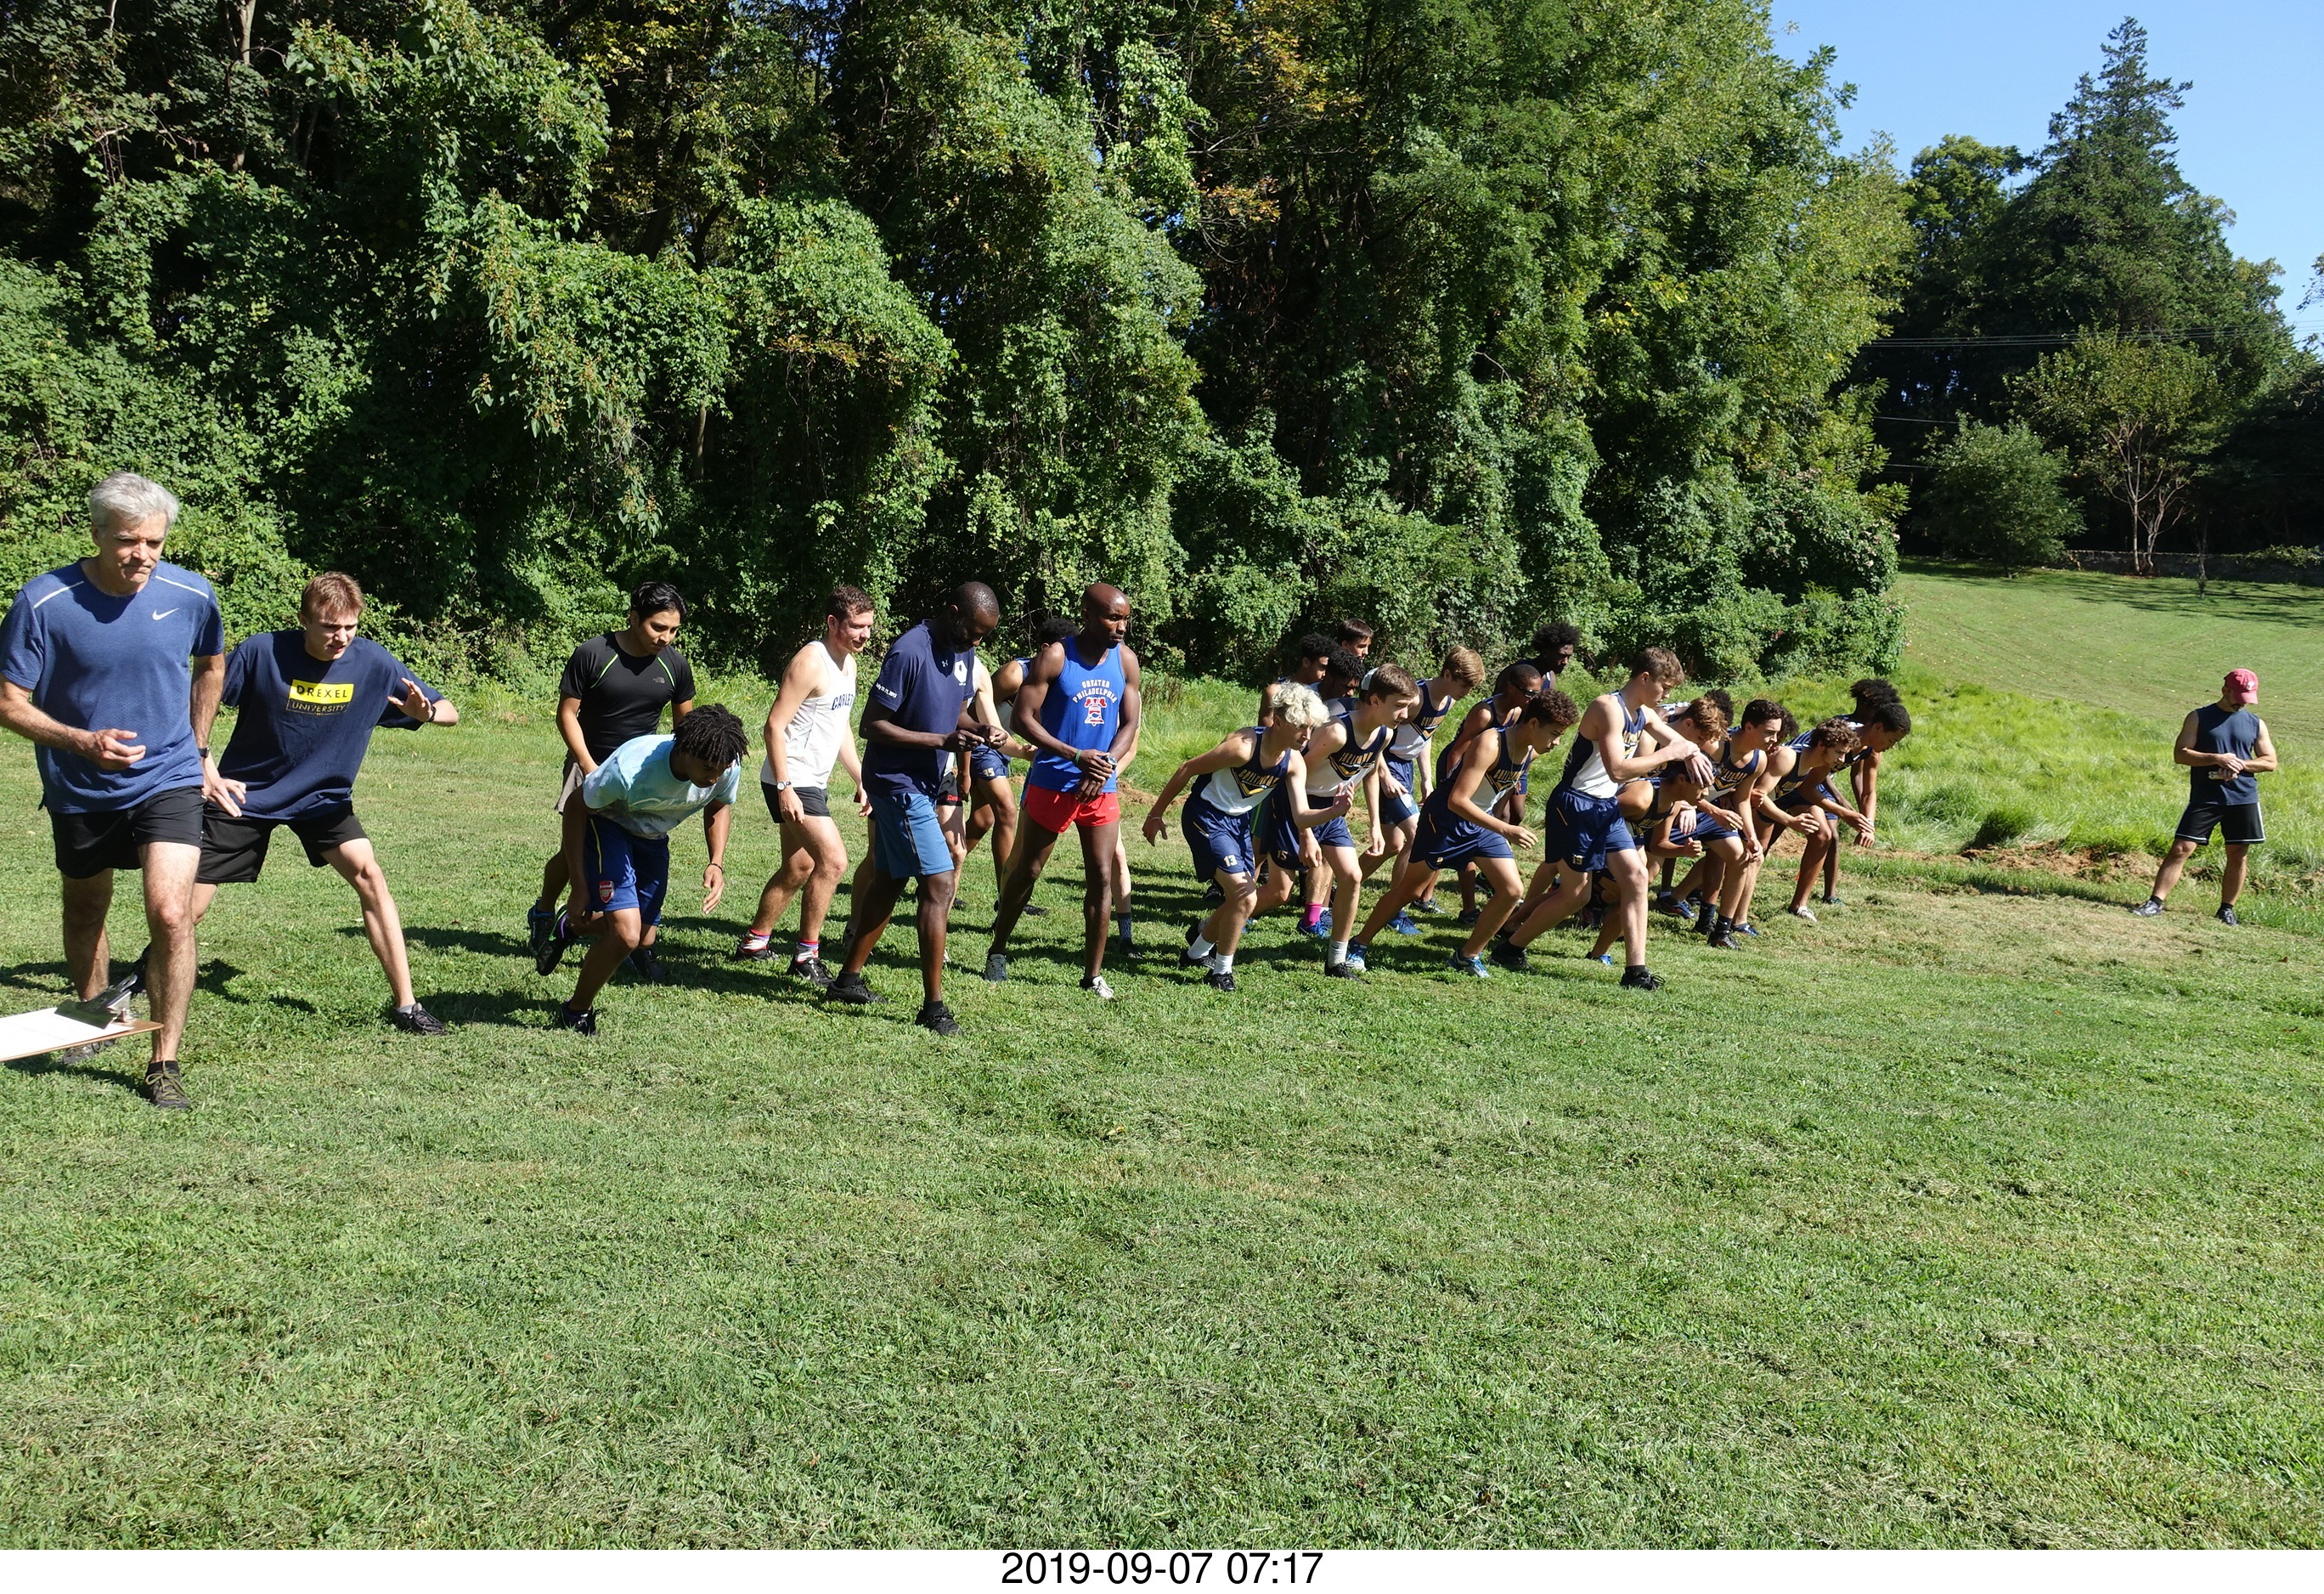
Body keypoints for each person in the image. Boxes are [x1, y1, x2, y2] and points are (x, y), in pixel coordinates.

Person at [0, 472, 232, 1109]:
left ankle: (165, 1060)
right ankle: (91, 1014)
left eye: (154, 541)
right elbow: (8, 702)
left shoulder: (192, 594)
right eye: (129, 541)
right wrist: (81, 741)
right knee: (86, 908)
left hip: (169, 776)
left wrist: (198, 747)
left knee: (171, 912)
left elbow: (212, 664)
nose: (143, 555)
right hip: (81, 784)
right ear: (98, 534)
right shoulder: (45, 602)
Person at [190, 573, 459, 1034]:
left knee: (370, 876)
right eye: (330, 627)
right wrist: (204, 764)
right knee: (187, 906)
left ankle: (407, 1005)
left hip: (322, 798)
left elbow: (450, 711)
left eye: (350, 627)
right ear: (303, 619)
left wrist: (427, 713)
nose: (341, 638)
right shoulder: (262, 652)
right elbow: (201, 697)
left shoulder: (373, 663)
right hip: (247, 795)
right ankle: (144, 975)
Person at [826, 583, 1003, 1033]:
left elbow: (954, 711)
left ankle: (847, 979)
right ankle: (933, 1008)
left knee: (889, 879)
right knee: (939, 884)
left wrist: (979, 729)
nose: (977, 641)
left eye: (984, 635)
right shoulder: (909, 651)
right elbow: (872, 725)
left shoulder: (963, 652)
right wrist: (940, 740)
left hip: (924, 782)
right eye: (974, 631)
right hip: (896, 783)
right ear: (953, 612)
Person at [1491, 648, 1712, 989]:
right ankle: (1510, 947)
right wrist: (1669, 754)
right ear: (1645, 678)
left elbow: (1678, 740)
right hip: (1576, 805)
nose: (1667, 695)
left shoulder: (1643, 713)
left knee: (1637, 877)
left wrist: (1693, 752)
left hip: (1605, 806)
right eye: (1664, 687)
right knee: (1576, 896)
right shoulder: (1607, 707)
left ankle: (1636, 972)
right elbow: (1618, 770)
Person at [1345, 690, 1582, 976]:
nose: (1557, 743)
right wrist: (1505, 828)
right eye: (1554, 734)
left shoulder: (1529, 751)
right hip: (1446, 820)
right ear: (1533, 724)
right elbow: (1457, 801)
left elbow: (1497, 794)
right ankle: (1358, 944)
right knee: (1411, 890)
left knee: (1512, 891)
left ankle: (1467, 956)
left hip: (1481, 824)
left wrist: (1500, 826)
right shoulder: (1491, 743)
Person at [546, 706, 747, 1035]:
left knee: (642, 937)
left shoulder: (725, 762)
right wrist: (580, 887)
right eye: (708, 769)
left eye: (721, 770)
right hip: (608, 826)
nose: (714, 778)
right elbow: (576, 807)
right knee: (625, 935)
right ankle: (576, 1010)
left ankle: (569, 926)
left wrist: (716, 861)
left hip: (653, 838)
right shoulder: (631, 767)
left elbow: (718, 805)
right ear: (684, 749)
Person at [984, 583, 1142, 998]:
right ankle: (998, 949)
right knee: (1029, 870)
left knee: (1101, 877)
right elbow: (1022, 717)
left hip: (1101, 785)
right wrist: (1075, 755)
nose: (1121, 627)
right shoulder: (1056, 656)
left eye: (1125, 619)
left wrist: (1104, 764)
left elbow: (1130, 723)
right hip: (1054, 779)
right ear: (1087, 615)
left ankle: (1092, 975)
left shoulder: (1126, 660)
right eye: (1113, 618)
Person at [528, 583, 696, 970]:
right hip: (590, 762)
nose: (665, 638)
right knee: (576, 852)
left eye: (673, 630)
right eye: (658, 627)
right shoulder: (594, 653)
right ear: (634, 618)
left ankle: (634, 937)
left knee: (623, 847)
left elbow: (685, 728)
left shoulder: (674, 664)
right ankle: (544, 912)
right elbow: (567, 714)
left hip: (640, 774)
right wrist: (588, 765)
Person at [1140, 684, 1341, 992]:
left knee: (1244, 899)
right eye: (1302, 727)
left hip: (1238, 823)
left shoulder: (1294, 762)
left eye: (1311, 728)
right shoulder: (1242, 748)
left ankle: (1195, 952)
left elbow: (1301, 816)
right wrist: (1155, 814)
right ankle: (1221, 972)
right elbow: (1187, 768)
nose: (1307, 735)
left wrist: (1335, 810)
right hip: (1205, 816)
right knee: (1245, 896)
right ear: (1279, 721)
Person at [732, 585, 874, 986]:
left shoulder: (848, 664)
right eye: (856, 627)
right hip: (793, 779)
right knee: (834, 861)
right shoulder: (810, 661)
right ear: (832, 623)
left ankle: (754, 943)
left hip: (813, 780)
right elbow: (773, 726)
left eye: (868, 627)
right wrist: (784, 787)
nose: (864, 635)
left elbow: (840, 726)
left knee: (799, 866)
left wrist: (861, 777)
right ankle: (806, 956)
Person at [1262, 664, 1419, 976]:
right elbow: (1295, 775)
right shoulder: (1336, 732)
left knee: (1352, 877)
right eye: (1399, 706)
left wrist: (1374, 824)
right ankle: (1213, 927)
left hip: (1332, 811)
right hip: (1298, 805)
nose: (1405, 715)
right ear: (1375, 700)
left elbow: (1370, 773)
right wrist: (1306, 832)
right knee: (1278, 894)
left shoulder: (1385, 734)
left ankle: (1336, 960)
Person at [2133, 669, 2277, 925]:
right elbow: (2181, 754)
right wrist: (2215, 758)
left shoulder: (2256, 723)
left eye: (2248, 698)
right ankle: (2155, 902)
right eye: (2239, 697)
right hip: (2206, 797)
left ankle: (2226, 910)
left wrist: (2239, 764)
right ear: (2225, 690)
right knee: (2181, 848)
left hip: (2243, 797)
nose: (2243, 703)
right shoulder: (2199, 717)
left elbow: (2270, 762)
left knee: (2238, 853)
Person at [1368, 646, 1486, 930]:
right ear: (1447, 674)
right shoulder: (1417, 699)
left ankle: (1341, 887)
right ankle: (1395, 912)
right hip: (1389, 764)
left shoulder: (1448, 701)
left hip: (1405, 768)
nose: (1467, 692)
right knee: (1416, 834)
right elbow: (1378, 733)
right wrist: (1384, 773)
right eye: (1464, 685)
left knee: (1391, 844)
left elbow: (1425, 737)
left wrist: (1426, 779)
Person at [1670, 697, 1786, 949]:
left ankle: (1722, 931)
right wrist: (1709, 810)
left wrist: (1751, 836)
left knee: (1742, 856)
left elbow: (1742, 799)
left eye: (1777, 733)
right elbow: (1679, 785)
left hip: (1710, 814)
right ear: (1749, 727)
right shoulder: (1715, 745)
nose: (1774, 739)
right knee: (1651, 862)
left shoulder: (1759, 760)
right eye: (1769, 732)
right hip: (1681, 808)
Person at [1791, 679, 1911, 912]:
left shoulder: (1868, 744)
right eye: (1892, 740)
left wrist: (1867, 823)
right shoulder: (1844, 731)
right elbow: (1819, 774)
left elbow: (1864, 783)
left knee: (1828, 836)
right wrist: (1843, 805)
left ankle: (1816, 899)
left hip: (1810, 783)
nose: (1892, 746)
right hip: (1794, 778)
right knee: (1765, 841)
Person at [1439, 661, 1542, 923]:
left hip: (1486, 772)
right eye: (1529, 693)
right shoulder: (1485, 713)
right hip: (1457, 770)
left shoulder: (1517, 712)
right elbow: (1456, 751)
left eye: (1537, 694)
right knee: (1452, 835)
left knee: (1494, 822)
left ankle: (1474, 902)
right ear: (1512, 688)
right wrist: (1446, 789)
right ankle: (1444, 900)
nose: (1533, 699)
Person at [1758, 717, 1867, 924]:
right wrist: (1790, 820)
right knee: (1752, 849)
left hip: (1793, 790)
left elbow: (1808, 790)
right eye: (1839, 753)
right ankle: (1702, 893)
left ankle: (1799, 905)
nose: (1842, 760)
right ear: (1822, 745)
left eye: (1844, 754)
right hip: (1772, 792)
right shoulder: (1793, 756)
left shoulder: (1825, 762)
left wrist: (1845, 813)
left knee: (1823, 835)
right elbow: (1758, 794)